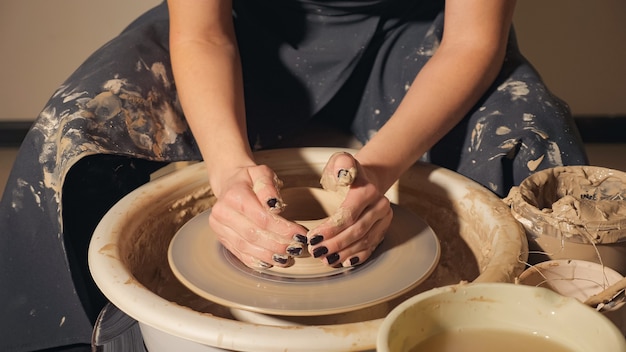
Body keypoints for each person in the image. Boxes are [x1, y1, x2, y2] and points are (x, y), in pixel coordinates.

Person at [0, 0, 588, 350]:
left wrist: (377, 171)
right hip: (244, 31)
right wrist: (228, 174)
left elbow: (472, 40)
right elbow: (203, 31)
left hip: (422, 38)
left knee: (533, 138)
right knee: (70, 136)